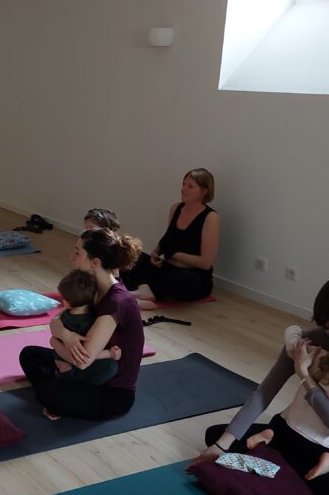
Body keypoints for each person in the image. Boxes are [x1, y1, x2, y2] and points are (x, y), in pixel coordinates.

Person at [188, 276, 329, 495]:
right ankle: (293, 463)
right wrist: (221, 445)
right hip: (303, 432)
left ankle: (309, 463)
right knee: (216, 436)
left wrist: (304, 375)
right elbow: (264, 393)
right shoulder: (306, 344)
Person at [19, 228, 145, 421]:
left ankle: (59, 393)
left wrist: (56, 341)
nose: (71, 257)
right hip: (88, 369)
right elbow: (56, 321)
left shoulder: (116, 302)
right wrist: (67, 336)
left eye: (77, 253)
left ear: (95, 263)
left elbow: (82, 360)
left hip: (111, 390)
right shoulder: (93, 287)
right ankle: (63, 385)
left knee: (48, 393)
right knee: (29, 354)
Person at [244, 329, 329, 481]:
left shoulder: (320, 357)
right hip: (317, 442)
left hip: (286, 422)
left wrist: (296, 342)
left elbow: (291, 330)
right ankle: (328, 461)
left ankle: (269, 438)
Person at [121, 168, 219, 309]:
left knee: (182, 279)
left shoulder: (211, 218)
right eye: (183, 184)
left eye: (190, 186)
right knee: (134, 256)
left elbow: (205, 263)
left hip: (194, 277)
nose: (183, 189)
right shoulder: (175, 208)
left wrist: (174, 254)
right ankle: (144, 290)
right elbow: (168, 239)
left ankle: (146, 293)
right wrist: (156, 252)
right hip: (168, 267)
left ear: (204, 191)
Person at [49, 269, 121, 392]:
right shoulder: (90, 321)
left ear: (66, 303)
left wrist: (54, 341)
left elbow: (54, 323)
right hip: (74, 369)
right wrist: (109, 353)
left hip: (64, 363)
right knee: (111, 366)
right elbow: (86, 355)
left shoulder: (65, 314)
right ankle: (78, 390)